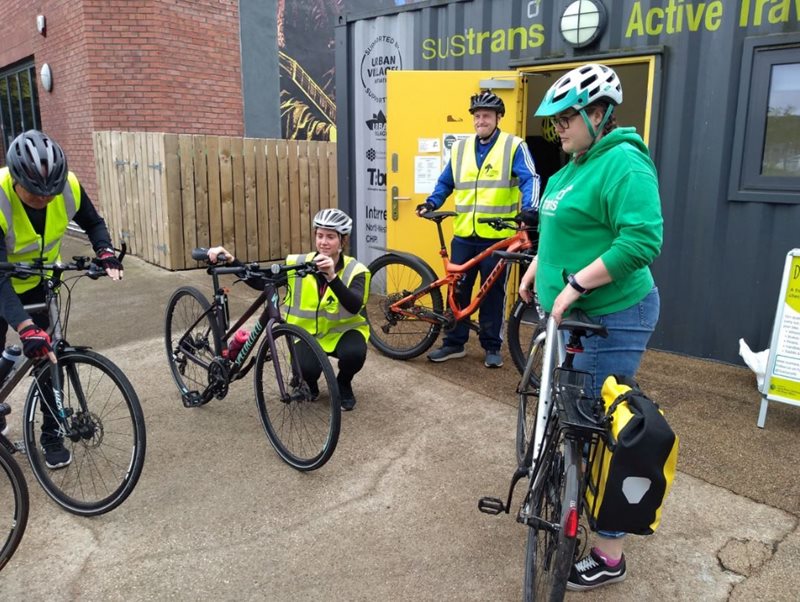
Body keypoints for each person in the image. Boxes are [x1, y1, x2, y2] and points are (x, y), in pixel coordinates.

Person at [518, 63, 663, 591]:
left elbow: (641, 242)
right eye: (553, 120)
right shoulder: (572, 165)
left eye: (566, 117)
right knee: (569, 411)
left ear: (598, 114)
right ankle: (565, 486)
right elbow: (557, 226)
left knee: (597, 429)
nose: (557, 126)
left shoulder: (623, 163)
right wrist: (537, 267)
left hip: (612, 316)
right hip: (568, 314)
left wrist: (575, 286)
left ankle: (608, 553)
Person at [0, 130, 123, 467]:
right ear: (15, 179)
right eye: (36, 194)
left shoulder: (66, 186)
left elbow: (93, 223)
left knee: (48, 357)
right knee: (22, 337)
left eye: (51, 193)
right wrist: (23, 326)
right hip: (1, 284)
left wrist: (105, 251)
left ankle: (51, 434)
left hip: (39, 282)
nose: (46, 199)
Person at [416, 90, 540, 369]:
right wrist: (433, 201)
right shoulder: (460, 149)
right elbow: (446, 181)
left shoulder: (513, 145)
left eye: (486, 115)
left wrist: (530, 210)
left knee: (493, 294)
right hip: (464, 234)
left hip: (496, 237)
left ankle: (491, 347)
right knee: (458, 289)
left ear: (498, 117)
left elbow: (530, 178)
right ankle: (453, 343)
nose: (480, 120)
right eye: (477, 116)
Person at [207, 208, 369, 411]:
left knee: (354, 354)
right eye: (319, 236)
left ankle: (343, 383)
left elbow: (354, 306)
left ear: (342, 241)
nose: (323, 242)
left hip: (343, 332)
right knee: (307, 369)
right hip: (306, 333)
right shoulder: (298, 264)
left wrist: (332, 278)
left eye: (330, 237)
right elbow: (261, 282)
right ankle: (309, 384)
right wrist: (232, 260)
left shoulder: (357, 270)